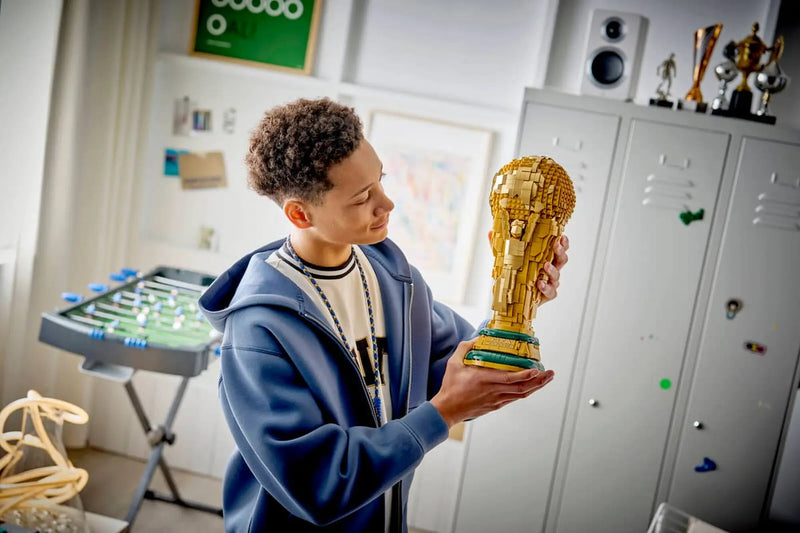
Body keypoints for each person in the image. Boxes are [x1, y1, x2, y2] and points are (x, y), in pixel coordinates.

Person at [199, 98, 568, 532]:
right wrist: (441, 415)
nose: (387, 204)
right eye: (362, 198)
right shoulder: (258, 330)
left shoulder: (395, 280)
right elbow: (319, 485)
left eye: (380, 181)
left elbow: (457, 374)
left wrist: (519, 299)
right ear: (300, 213)